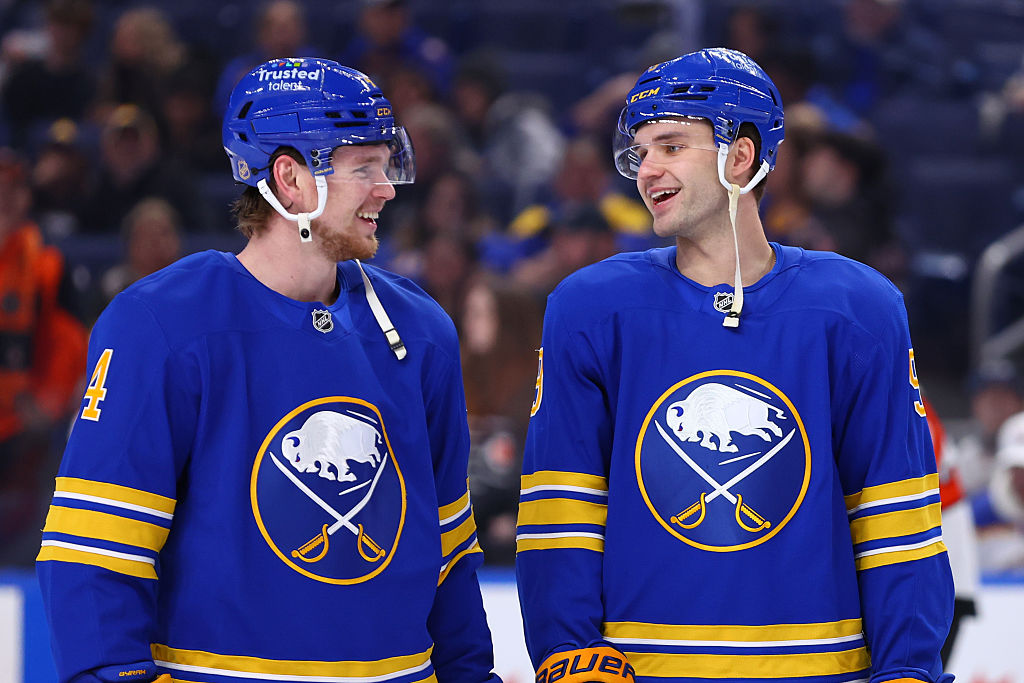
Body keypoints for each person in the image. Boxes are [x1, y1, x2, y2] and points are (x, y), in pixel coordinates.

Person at [37, 58, 501, 683]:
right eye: (363, 167)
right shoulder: (159, 324)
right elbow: (94, 554)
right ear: (289, 180)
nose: (386, 188)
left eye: (387, 166)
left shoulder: (420, 330)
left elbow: (449, 550)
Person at [516, 48, 954, 683]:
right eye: (640, 152)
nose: (646, 171)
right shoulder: (590, 309)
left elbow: (894, 520)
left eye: (670, 146)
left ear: (741, 155)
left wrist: (908, 668)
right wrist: (566, 650)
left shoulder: (859, 309)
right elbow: (562, 510)